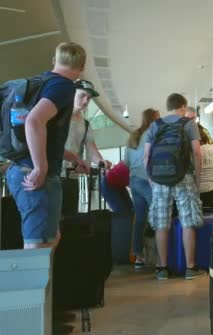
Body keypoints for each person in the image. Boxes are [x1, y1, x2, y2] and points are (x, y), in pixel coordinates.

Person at [6, 42, 86, 250]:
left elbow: (45, 136)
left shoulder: (42, 82)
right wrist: (41, 167)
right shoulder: (63, 86)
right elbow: (34, 121)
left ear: (54, 61)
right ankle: (31, 284)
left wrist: (75, 158)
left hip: (19, 169)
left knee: (49, 238)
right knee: (37, 247)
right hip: (34, 175)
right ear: (82, 67)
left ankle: (43, 283)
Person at [144, 93, 204, 280]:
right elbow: (196, 151)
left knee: (161, 223)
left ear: (168, 106)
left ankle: (162, 268)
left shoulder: (155, 125)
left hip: (160, 180)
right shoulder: (189, 124)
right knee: (188, 222)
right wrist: (197, 179)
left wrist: (151, 180)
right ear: (183, 107)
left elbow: (146, 156)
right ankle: (190, 268)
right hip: (184, 177)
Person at [61, 79, 113, 215]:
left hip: (72, 177)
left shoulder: (85, 124)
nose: (85, 101)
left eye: (89, 98)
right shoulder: (58, 117)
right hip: (53, 176)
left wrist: (100, 161)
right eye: (82, 95)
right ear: (72, 93)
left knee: (69, 220)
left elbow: (91, 148)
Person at [125, 108, 160, 268]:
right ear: (154, 119)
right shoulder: (153, 135)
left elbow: (126, 162)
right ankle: (160, 255)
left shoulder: (134, 135)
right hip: (148, 180)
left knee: (140, 219)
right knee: (158, 216)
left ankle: (138, 256)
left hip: (133, 180)